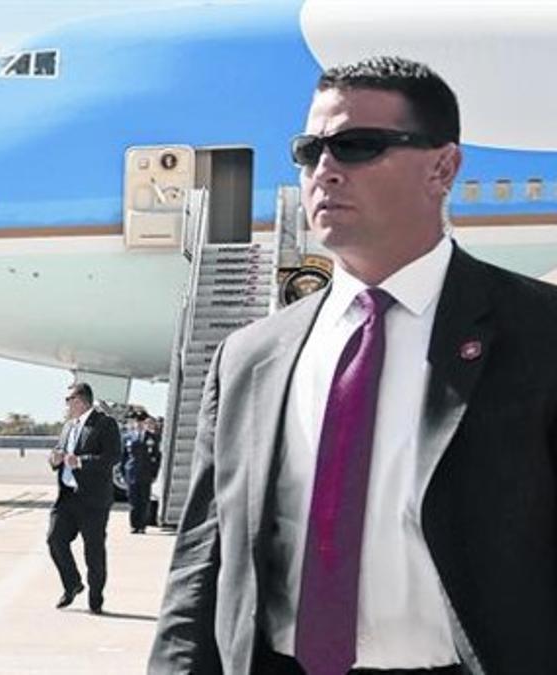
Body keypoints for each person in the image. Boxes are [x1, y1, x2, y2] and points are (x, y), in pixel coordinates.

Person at [150, 56, 557, 674]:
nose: (325, 171)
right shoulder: (251, 357)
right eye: (310, 150)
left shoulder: (539, 332)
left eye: (358, 146)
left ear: (443, 168)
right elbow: (202, 562)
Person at [47, 382, 120, 615]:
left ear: (80, 401)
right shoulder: (69, 426)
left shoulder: (104, 424)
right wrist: (55, 459)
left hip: (93, 500)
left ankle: (96, 599)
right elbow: (59, 452)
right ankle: (72, 584)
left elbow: (113, 457)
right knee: (55, 539)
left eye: (69, 400)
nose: (66, 404)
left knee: (94, 551)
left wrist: (80, 461)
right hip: (67, 497)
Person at [122, 411, 160, 534]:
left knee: (144, 500)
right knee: (133, 500)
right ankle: (134, 525)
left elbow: (156, 457)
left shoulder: (152, 437)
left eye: (141, 421)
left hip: (146, 472)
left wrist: (154, 473)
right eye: (136, 421)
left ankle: (142, 525)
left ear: (144, 423)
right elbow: (124, 457)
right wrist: (123, 473)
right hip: (131, 472)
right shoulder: (127, 437)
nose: (138, 424)